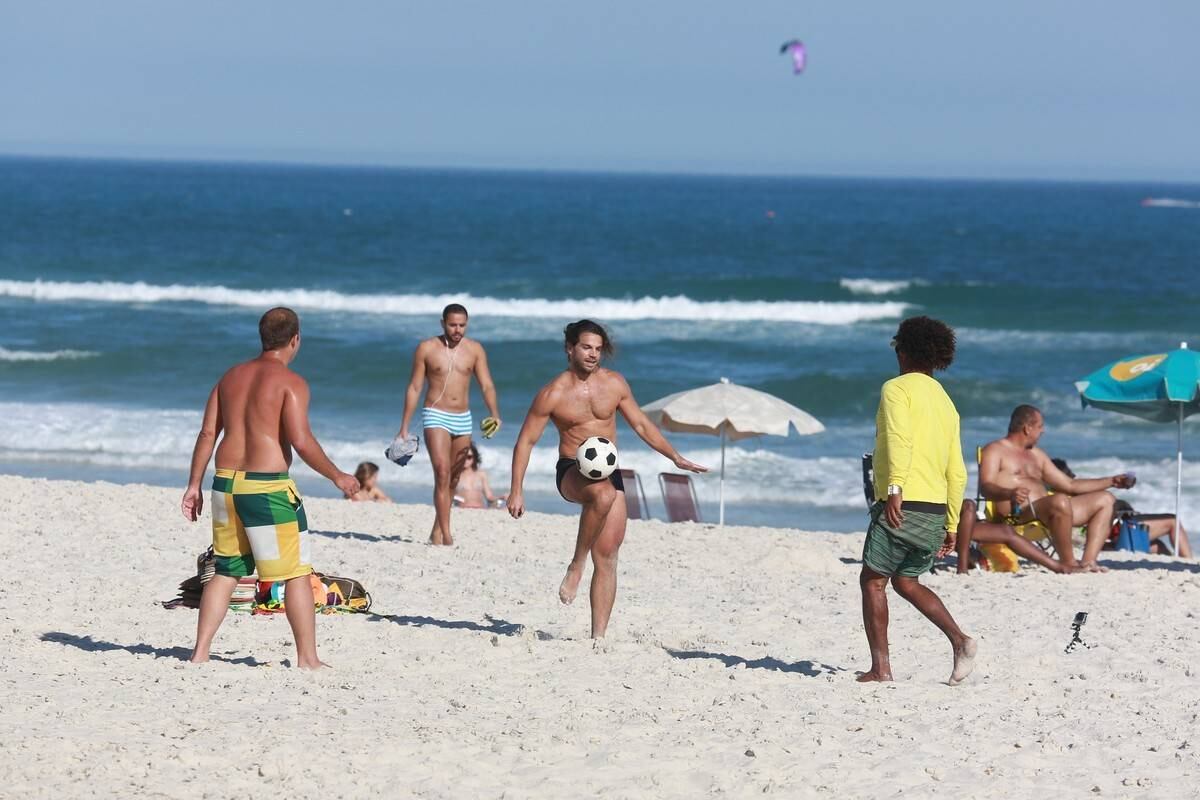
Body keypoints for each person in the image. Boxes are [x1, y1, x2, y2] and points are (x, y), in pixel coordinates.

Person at [180, 307, 359, 669]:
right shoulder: (291, 383)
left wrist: (193, 485)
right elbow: (302, 441)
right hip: (267, 489)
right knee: (296, 572)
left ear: (262, 337)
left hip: (225, 485)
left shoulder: (230, 377)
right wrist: (337, 475)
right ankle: (308, 659)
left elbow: (208, 433)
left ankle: (199, 653)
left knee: (226, 570)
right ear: (296, 339)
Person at [507, 320, 707, 638]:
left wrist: (674, 456)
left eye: (598, 349)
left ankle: (597, 637)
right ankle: (576, 564)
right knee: (602, 494)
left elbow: (641, 425)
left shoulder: (614, 384)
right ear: (570, 348)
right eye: (586, 347)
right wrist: (516, 490)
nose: (593, 354)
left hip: (608, 470)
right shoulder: (552, 393)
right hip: (572, 469)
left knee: (609, 553)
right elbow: (525, 442)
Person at [860, 316, 976, 684]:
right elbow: (957, 469)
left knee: (873, 582)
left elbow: (899, 440)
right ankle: (960, 641)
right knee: (906, 580)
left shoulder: (896, 389)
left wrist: (895, 488)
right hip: (935, 510)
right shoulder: (946, 402)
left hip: (903, 503)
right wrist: (952, 523)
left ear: (904, 352)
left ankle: (881, 669)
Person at [978, 406, 1134, 572]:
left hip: (1052, 512)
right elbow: (985, 487)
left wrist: (1112, 481)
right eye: (1040, 426)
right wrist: (1009, 493)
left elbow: (1070, 485)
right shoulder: (995, 450)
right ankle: (1069, 563)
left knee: (1106, 499)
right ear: (1027, 428)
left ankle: (1088, 562)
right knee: (1059, 500)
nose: (1043, 431)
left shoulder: (1037, 455)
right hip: (1018, 516)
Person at [395, 303, 501, 546]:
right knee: (442, 472)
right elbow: (414, 387)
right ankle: (447, 535)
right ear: (442, 323)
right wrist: (404, 426)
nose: (457, 330)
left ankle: (436, 530)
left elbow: (487, 385)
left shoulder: (475, 350)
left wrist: (495, 413)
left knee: (453, 478)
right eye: (452, 325)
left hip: (463, 417)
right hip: (435, 414)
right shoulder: (427, 348)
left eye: (462, 325)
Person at [954, 499, 1068, 574]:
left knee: (1006, 531)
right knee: (968, 505)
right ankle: (962, 567)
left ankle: (1056, 566)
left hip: (952, 523)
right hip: (944, 525)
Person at [453, 443, 505, 508]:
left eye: (469, 457)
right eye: (463, 457)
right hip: (463, 508)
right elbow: (449, 496)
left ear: (474, 458)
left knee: (503, 507)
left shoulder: (481, 474)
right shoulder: (455, 475)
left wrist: (501, 497)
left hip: (480, 508)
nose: (465, 460)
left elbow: (489, 496)